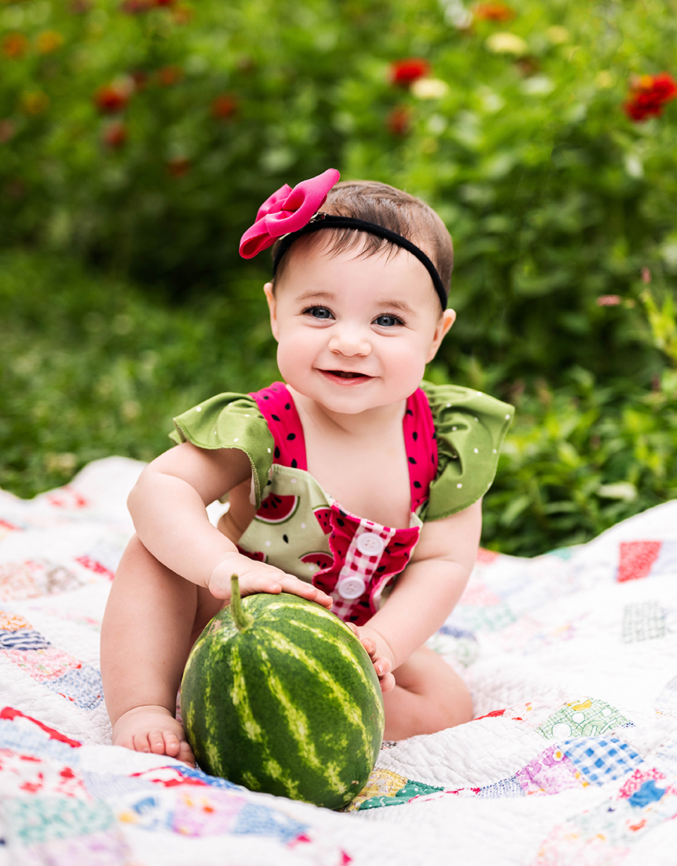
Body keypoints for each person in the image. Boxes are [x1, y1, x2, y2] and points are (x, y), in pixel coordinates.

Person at [100, 168, 514, 765]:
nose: (350, 341)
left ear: (435, 336)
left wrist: (384, 644)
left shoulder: (444, 441)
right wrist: (219, 568)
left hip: (347, 635)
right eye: (319, 311)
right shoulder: (267, 424)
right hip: (225, 623)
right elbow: (158, 488)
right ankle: (144, 701)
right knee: (152, 554)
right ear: (276, 312)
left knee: (449, 698)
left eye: (388, 320)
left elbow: (444, 562)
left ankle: (331, 717)